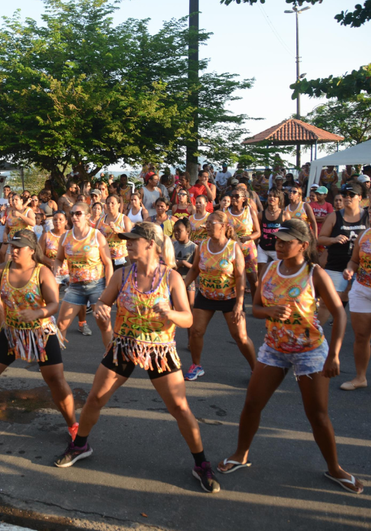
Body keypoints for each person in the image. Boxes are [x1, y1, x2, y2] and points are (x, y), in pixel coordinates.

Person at [53, 223, 220, 493]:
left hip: (159, 351)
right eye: (126, 240)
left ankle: (201, 464)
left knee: (179, 408)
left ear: (150, 244)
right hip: (124, 347)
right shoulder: (121, 275)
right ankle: (80, 445)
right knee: (95, 397)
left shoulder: (171, 278)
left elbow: (188, 319)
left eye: (133, 240)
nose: (127, 244)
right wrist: (101, 311)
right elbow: (103, 302)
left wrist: (170, 313)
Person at [217, 219, 363, 494]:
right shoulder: (271, 268)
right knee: (251, 404)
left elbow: (340, 313)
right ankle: (240, 454)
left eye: (286, 242)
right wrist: (270, 313)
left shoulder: (314, 273)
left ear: (304, 245)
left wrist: (334, 355)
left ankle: (335, 468)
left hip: (310, 352)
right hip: (274, 348)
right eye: (278, 241)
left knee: (317, 415)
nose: (279, 246)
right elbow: (256, 307)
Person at [0, 230, 78, 438]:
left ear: (32, 251)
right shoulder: (0, 271)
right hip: (12, 331)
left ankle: (73, 425)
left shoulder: (42, 272)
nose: (12, 250)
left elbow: (54, 304)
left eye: (18, 247)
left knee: (55, 379)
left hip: (41, 332)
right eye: (11, 246)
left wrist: (37, 312)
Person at [184, 210, 256, 381]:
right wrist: (181, 286)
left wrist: (239, 303)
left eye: (211, 223)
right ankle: (196, 365)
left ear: (223, 226)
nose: (207, 226)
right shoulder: (202, 245)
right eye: (206, 223)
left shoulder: (233, 247)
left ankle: (256, 369)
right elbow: (194, 269)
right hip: (206, 296)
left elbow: (240, 277)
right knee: (195, 332)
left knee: (241, 336)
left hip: (229, 298)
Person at [54, 202, 113, 346]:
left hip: (97, 285)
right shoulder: (65, 236)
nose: (74, 217)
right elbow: (59, 259)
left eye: (78, 213)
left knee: (104, 324)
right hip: (75, 287)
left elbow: (108, 264)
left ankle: (112, 359)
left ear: (87, 216)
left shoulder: (97, 236)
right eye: (72, 214)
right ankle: (52, 362)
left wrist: (108, 290)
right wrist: (57, 267)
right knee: (61, 325)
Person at [340, 199, 371, 391]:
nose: (370, 210)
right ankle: (360, 378)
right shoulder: (364, 235)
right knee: (361, 335)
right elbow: (354, 261)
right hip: (363, 289)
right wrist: (349, 270)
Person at [318, 183, 369, 325]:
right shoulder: (334, 216)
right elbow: (320, 238)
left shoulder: (367, 216)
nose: (347, 198)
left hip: (361, 266)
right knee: (325, 303)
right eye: (344, 195)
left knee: (365, 304)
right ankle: (312, 336)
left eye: (351, 195)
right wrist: (333, 239)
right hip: (336, 265)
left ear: (359, 197)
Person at [226, 189, 261, 302]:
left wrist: (248, 237)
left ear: (244, 199)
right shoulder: (226, 212)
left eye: (237, 196)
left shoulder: (249, 211)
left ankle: (256, 303)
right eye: (232, 196)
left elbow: (258, 232)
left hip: (248, 247)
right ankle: (235, 303)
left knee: (252, 278)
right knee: (232, 276)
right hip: (232, 248)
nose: (234, 198)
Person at [96, 194, 132, 271]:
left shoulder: (124, 219)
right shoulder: (100, 220)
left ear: (119, 205)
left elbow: (130, 237)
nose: (110, 205)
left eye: (113, 203)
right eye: (108, 203)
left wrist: (118, 231)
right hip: (105, 257)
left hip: (121, 258)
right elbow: (95, 237)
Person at [257, 189, 285, 279]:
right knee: (261, 274)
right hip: (263, 247)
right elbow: (257, 230)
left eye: (274, 196)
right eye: (270, 196)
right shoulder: (261, 214)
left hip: (277, 249)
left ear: (279, 200)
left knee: (279, 273)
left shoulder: (285, 215)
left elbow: (288, 233)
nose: (271, 198)